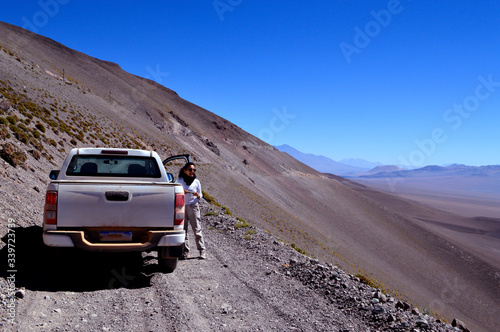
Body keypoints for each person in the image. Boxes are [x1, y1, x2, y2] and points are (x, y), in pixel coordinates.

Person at [176, 162, 206, 259]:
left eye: (194, 170)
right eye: (190, 170)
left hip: (193, 206)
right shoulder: (179, 180)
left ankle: (202, 251)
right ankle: (185, 251)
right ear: (185, 170)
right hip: (182, 206)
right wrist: (181, 191)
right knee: (183, 230)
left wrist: (197, 195)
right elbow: (175, 191)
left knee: (197, 229)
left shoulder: (196, 182)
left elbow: (201, 195)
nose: (192, 172)